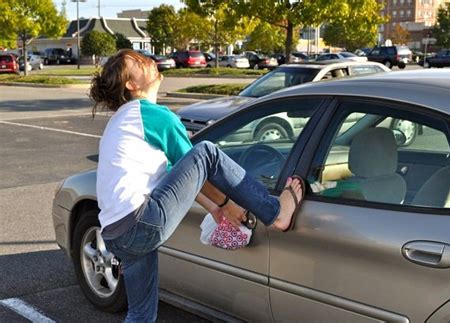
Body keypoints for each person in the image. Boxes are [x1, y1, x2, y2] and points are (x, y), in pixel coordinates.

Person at [89, 48, 304, 322]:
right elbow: (199, 164)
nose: (150, 62)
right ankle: (276, 213)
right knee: (207, 152)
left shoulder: (121, 121)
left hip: (116, 234)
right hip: (140, 222)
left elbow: (174, 172)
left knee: (141, 314)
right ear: (131, 84)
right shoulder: (152, 115)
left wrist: (213, 207)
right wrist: (228, 205)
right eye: (141, 63)